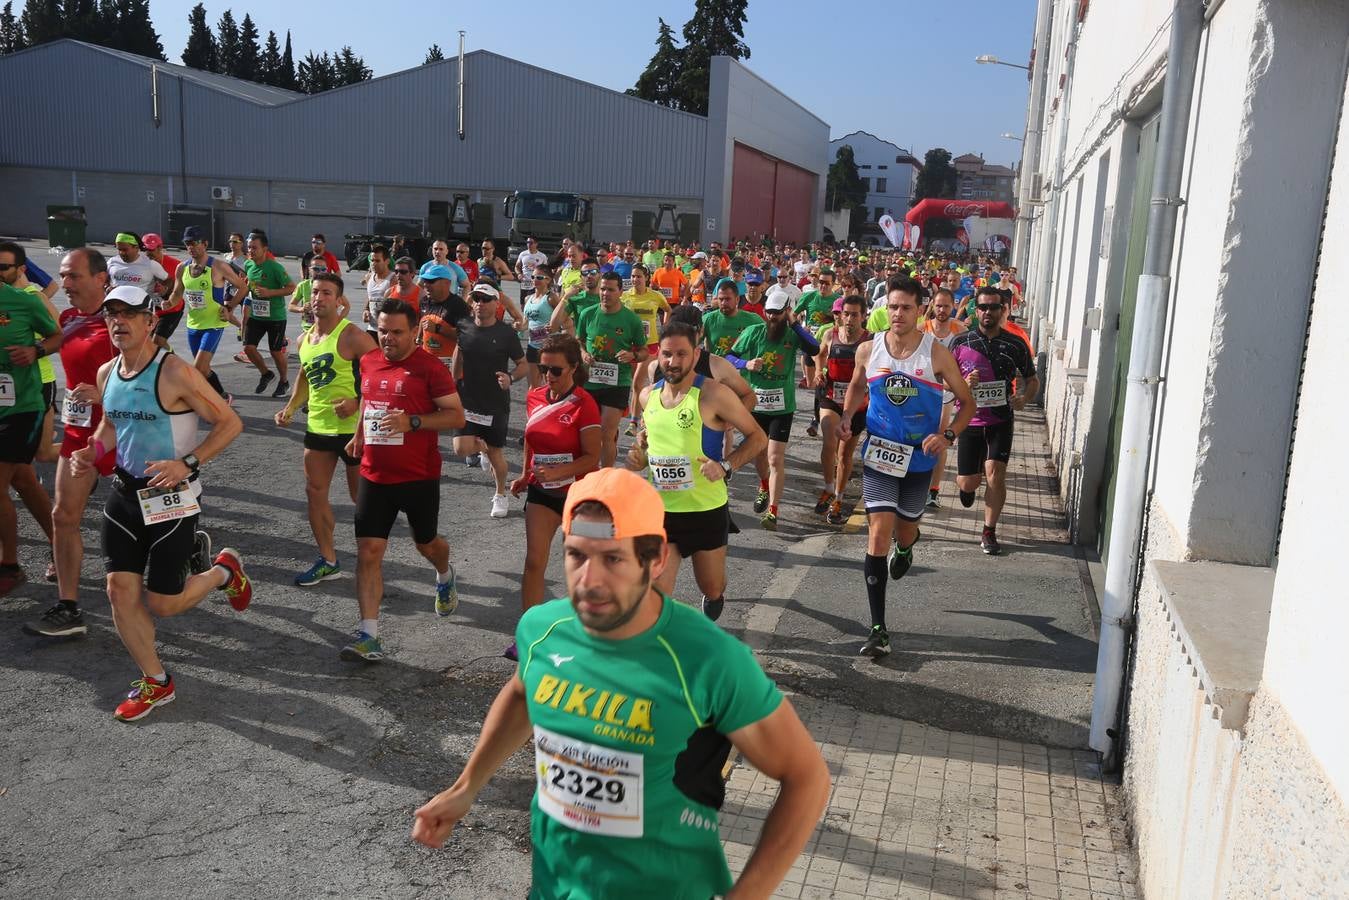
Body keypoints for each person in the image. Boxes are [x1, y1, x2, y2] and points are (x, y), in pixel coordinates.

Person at [412, 467, 830, 900]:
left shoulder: (708, 658)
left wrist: (749, 894)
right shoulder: (541, 627)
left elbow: (807, 777)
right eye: (577, 555)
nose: (589, 582)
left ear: (656, 560)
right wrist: (465, 789)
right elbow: (523, 693)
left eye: (613, 559)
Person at [71, 285, 249, 720]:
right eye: (111, 313)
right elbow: (110, 429)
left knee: (163, 603)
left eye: (129, 313)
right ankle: (156, 681)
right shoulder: (106, 373)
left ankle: (224, 572)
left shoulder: (174, 373)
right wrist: (90, 455)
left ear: (150, 320)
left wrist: (188, 462)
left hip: (171, 498)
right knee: (118, 590)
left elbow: (229, 423)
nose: (118, 322)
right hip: (125, 495)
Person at [838, 277, 974, 657]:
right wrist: (849, 416)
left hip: (919, 459)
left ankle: (908, 546)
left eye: (906, 308)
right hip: (881, 454)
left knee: (906, 529)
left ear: (921, 311)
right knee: (877, 534)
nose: (898, 314)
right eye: (893, 307)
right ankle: (878, 628)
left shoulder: (935, 354)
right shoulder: (868, 349)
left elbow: (967, 403)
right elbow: (856, 386)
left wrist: (947, 436)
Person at [342, 298, 466, 661]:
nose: (388, 338)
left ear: (415, 332)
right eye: (382, 330)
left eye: (397, 332)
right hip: (374, 473)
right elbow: (369, 398)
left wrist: (413, 422)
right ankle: (368, 634)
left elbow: (456, 416)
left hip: (418, 476)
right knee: (368, 551)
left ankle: (445, 573)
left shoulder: (429, 369)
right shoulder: (368, 361)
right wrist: (360, 433)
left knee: (426, 544)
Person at [628, 321, 765, 620]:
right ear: (658, 355)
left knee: (712, 586)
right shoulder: (647, 396)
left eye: (681, 354)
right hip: (661, 512)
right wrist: (640, 455)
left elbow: (758, 437)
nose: (672, 362)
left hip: (705, 510)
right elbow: (649, 444)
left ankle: (715, 596)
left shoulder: (714, 394)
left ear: (695, 354)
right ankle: (659, 655)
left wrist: (726, 466)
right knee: (655, 593)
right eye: (666, 354)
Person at [22, 249, 119, 635]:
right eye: (63, 276)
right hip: (81, 433)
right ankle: (68, 608)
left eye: (74, 276)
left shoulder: (122, 319)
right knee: (63, 516)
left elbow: (156, 373)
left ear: (100, 278)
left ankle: (190, 541)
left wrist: (107, 394)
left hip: (127, 431)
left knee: (153, 519)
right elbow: (52, 347)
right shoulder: (68, 318)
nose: (65, 284)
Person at [276, 273, 377, 586]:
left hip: (353, 429)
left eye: (326, 293)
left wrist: (357, 400)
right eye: (315, 292)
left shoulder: (352, 335)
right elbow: (306, 376)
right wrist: (291, 407)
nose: (318, 298)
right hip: (318, 425)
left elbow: (383, 372)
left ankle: (371, 561)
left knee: (360, 497)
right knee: (314, 492)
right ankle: (328, 559)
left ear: (339, 300)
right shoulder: (304, 339)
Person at [506, 334, 602, 660]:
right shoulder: (535, 397)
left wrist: (559, 473)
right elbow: (531, 440)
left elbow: (593, 457)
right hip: (542, 493)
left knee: (583, 569)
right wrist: (524, 474)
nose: (549, 375)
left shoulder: (585, 405)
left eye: (556, 370)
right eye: (544, 368)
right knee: (534, 562)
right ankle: (528, 636)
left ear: (574, 367)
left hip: (580, 497)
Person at [949, 286, 1039, 556]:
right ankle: (967, 488)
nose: (988, 312)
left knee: (995, 475)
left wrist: (1024, 398)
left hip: (1000, 420)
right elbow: (945, 381)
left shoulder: (1015, 343)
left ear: (1003, 311)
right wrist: (963, 384)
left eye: (994, 307)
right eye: (983, 307)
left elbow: (1032, 380)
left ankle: (989, 531)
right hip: (970, 420)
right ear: (976, 310)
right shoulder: (960, 342)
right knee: (968, 483)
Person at [727, 291, 820, 530]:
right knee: (760, 455)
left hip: (782, 407)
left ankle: (773, 511)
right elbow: (728, 357)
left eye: (778, 313)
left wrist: (795, 323)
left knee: (775, 458)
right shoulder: (754, 332)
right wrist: (745, 364)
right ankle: (764, 486)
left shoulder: (793, 334)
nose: (772, 316)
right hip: (756, 405)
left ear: (787, 311)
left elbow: (815, 349)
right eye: (769, 312)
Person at [0, 274, 60, 597]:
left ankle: (9, 565)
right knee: (22, 479)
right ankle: (60, 541)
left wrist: (35, 350)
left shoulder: (23, 300)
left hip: (21, 406)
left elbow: (57, 336)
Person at [452, 283, 527, 518]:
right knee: (461, 449)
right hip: (468, 398)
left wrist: (511, 378)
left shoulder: (506, 333)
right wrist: (452, 384)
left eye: (485, 299)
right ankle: (481, 448)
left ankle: (500, 495)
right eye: (476, 298)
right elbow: (459, 355)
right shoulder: (463, 325)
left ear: (497, 304)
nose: (480, 303)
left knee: (496, 454)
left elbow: (523, 365)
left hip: (494, 401)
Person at [574, 271, 648, 469]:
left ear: (621, 292)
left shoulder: (631, 320)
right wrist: (583, 354)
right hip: (590, 381)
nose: (605, 293)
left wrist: (633, 356)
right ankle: (586, 473)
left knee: (606, 433)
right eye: (603, 289)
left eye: (611, 289)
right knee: (587, 432)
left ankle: (606, 476)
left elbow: (644, 351)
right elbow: (579, 341)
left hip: (617, 382)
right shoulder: (587, 314)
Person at [167, 226, 247, 402]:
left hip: (214, 324)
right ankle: (223, 396)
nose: (191, 247)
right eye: (187, 244)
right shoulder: (182, 268)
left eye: (194, 243)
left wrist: (230, 307)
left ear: (205, 244)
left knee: (197, 368)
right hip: (193, 325)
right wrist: (167, 303)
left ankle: (196, 402)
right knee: (203, 369)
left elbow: (242, 287)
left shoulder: (218, 266)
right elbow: (177, 293)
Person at [814, 294, 869, 525]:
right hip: (831, 398)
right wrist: (818, 370)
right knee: (829, 441)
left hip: (857, 404)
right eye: (845, 313)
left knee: (845, 454)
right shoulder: (830, 334)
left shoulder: (869, 341)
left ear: (863, 316)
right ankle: (828, 487)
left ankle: (838, 497)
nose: (849, 319)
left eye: (854, 314)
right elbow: (819, 353)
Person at [920, 287, 967, 508]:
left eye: (946, 306)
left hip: (946, 393)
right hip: (922, 392)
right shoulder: (922, 329)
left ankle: (934, 491)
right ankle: (916, 482)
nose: (941, 310)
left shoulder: (960, 330)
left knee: (939, 437)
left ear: (953, 307)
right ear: (933, 305)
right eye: (938, 305)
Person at [241, 230, 295, 397]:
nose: (251, 251)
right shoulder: (248, 265)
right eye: (249, 247)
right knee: (248, 348)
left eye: (254, 248)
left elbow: (291, 288)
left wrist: (269, 293)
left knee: (275, 351)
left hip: (275, 317)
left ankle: (284, 381)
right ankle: (266, 373)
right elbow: (249, 284)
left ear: (265, 249)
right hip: (257, 315)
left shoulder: (275, 267)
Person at [620, 264, 670, 436]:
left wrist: (665, 328)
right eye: (633, 276)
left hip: (649, 345)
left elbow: (668, 310)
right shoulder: (625, 296)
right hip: (630, 344)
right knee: (635, 385)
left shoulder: (655, 296)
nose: (635, 279)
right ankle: (640, 419)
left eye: (639, 276)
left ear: (647, 278)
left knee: (637, 383)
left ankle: (634, 423)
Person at [521, 265, 561, 388]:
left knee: (551, 385)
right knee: (533, 386)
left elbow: (565, 319)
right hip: (532, 346)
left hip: (549, 347)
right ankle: (533, 407)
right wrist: (517, 326)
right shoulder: (528, 298)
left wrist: (554, 326)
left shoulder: (551, 298)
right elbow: (525, 324)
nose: (535, 280)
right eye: (533, 277)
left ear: (548, 280)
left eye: (539, 277)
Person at [547, 259, 602, 334]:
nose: (589, 276)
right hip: (582, 344)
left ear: (600, 274)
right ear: (581, 276)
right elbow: (553, 326)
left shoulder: (608, 297)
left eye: (593, 272)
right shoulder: (575, 299)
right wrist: (565, 297)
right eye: (585, 273)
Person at [361, 243, 395, 340]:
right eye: (372, 260)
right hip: (372, 327)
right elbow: (369, 296)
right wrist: (366, 310)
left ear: (387, 261)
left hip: (387, 329)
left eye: (377, 261)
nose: (373, 263)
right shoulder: (369, 277)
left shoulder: (393, 279)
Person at [513, 236, 548, 303]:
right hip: (525, 282)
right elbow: (517, 267)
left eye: (531, 243)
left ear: (536, 244)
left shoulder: (542, 256)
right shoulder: (523, 254)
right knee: (523, 303)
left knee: (533, 301)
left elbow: (546, 270)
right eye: (527, 242)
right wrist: (519, 274)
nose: (529, 244)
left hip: (536, 282)